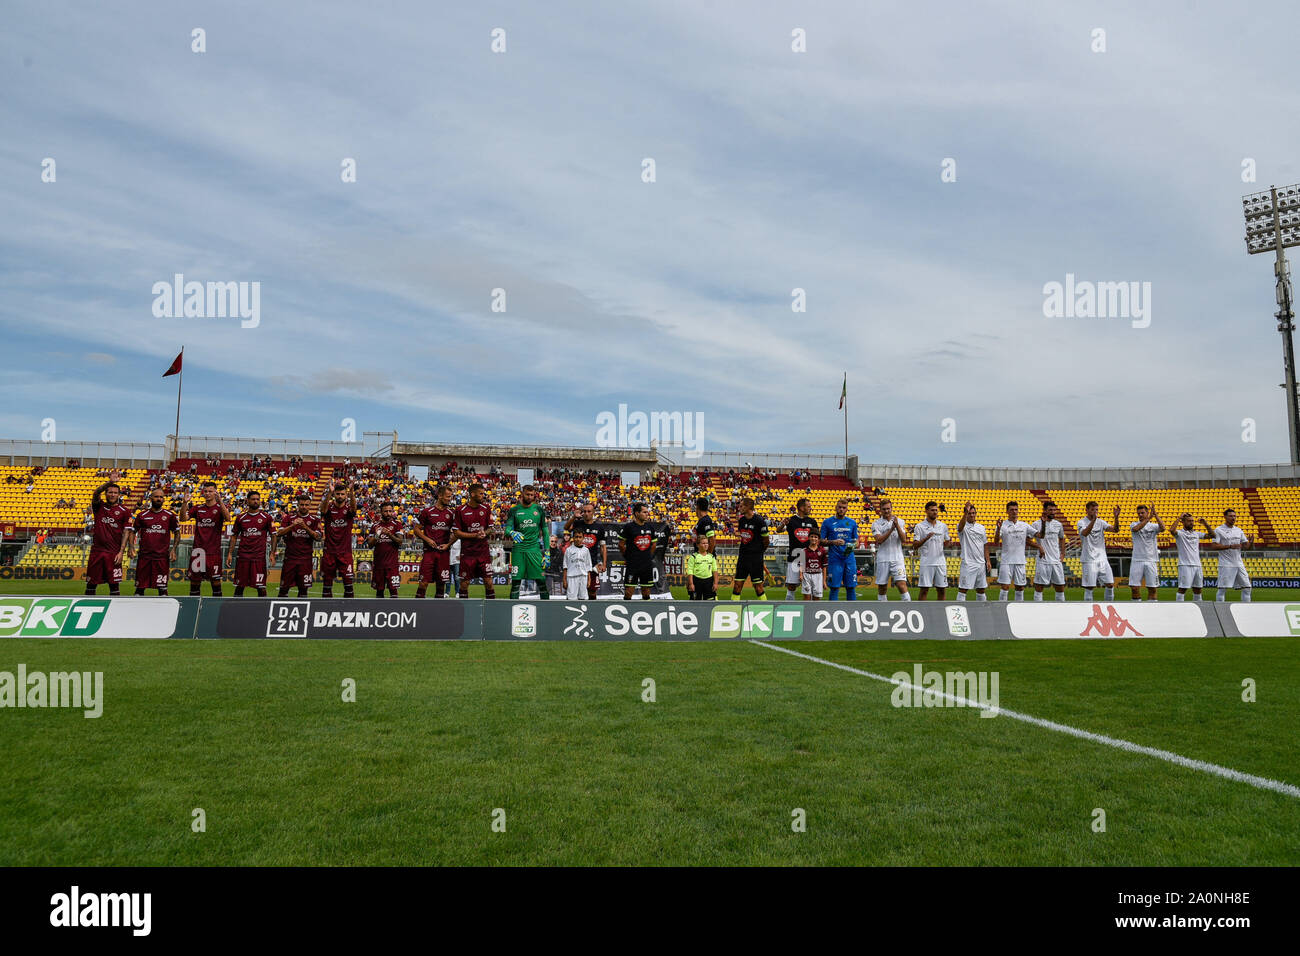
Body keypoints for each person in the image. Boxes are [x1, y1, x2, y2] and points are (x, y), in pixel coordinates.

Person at [85, 471, 131, 595]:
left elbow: (126, 532)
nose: (112, 494)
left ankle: (115, 612)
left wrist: (121, 552)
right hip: (97, 552)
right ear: (106, 493)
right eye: (110, 492)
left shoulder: (125, 511)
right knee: (91, 585)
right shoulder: (99, 506)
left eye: (115, 493)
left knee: (114, 586)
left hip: (113, 553)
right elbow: (95, 493)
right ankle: (88, 608)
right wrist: (110, 482)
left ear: (119, 495)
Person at [126, 489, 179, 596]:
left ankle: (164, 612)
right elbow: (132, 531)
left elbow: (177, 533)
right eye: (156, 497)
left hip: (162, 558)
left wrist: (173, 549)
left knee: (163, 591)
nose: (159, 499)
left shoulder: (170, 515)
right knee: (139, 590)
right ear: (151, 498)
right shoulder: (142, 515)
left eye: (161, 497)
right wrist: (131, 547)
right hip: (144, 557)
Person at [183, 480, 230, 596]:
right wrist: (184, 503)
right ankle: (194, 609)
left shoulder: (220, 508)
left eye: (210, 491)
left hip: (213, 552)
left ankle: (216, 609)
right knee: (195, 583)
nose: (208, 493)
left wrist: (221, 502)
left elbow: (228, 518)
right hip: (198, 551)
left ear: (215, 493)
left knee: (215, 583)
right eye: (206, 491)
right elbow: (183, 519)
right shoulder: (197, 508)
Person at [503, 484, 549, 600]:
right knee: (515, 584)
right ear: (522, 494)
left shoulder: (538, 509)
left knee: (541, 582)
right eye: (527, 494)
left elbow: (545, 530)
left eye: (532, 495)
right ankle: (512, 610)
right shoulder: (514, 510)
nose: (529, 497)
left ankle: (547, 611)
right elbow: (507, 529)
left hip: (534, 550)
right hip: (518, 550)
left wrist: (547, 552)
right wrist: (512, 533)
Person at [273, 493, 323, 597]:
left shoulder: (314, 520)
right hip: (290, 559)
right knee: (283, 589)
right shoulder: (288, 518)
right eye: (301, 505)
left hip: (305, 560)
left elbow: (318, 537)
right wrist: (293, 525)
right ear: (298, 505)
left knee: (303, 590)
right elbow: (279, 533)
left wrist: (305, 527)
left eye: (306, 505)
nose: (304, 507)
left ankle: (302, 611)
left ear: (309, 506)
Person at [455, 483, 496, 599]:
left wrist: (485, 533)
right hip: (467, 553)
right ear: (472, 494)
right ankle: (464, 610)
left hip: (483, 552)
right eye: (481, 494)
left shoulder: (486, 508)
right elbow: (456, 532)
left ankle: (491, 609)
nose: (483, 496)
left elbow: (490, 528)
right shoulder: (460, 510)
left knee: (488, 582)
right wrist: (474, 535)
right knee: (464, 583)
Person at [228, 490, 272, 597]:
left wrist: (272, 553)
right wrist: (229, 553)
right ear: (248, 501)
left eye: (257, 499)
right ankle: (236, 611)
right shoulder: (240, 518)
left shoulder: (266, 518)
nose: (256, 501)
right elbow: (234, 536)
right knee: (239, 587)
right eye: (253, 499)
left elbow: (274, 535)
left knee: (261, 588)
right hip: (243, 557)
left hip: (259, 558)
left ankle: (264, 611)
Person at [414, 485, 455, 598]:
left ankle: (439, 612)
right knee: (423, 583)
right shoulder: (427, 512)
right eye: (447, 496)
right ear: (440, 496)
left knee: (441, 584)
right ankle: (417, 610)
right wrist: (427, 539)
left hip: (444, 554)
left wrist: (448, 544)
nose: (449, 499)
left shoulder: (451, 514)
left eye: (450, 497)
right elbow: (416, 529)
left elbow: (457, 532)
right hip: (429, 553)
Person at [319, 479, 358, 598]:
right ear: (334, 495)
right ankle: (327, 610)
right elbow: (322, 510)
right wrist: (329, 493)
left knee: (348, 585)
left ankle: (348, 609)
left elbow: (354, 509)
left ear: (346, 495)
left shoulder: (348, 509)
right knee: (326, 585)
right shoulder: (329, 508)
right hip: (329, 552)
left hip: (345, 553)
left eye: (342, 494)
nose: (340, 496)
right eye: (338, 494)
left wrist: (351, 492)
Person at [775, 497, 817, 599]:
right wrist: (782, 524)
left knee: (808, 586)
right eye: (808, 506)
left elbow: (817, 539)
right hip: (794, 557)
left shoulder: (812, 521)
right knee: (792, 585)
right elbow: (779, 530)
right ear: (802, 508)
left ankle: (809, 609)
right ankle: (789, 607)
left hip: (809, 558)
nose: (810, 508)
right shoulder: (791, 520)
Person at [565, 502, 608, 599]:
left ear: (593, 513)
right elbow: (566, 528)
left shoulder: (599, 527)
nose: (586, 513)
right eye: (584, 511)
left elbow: (603, 547)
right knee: (573, 592)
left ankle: (591, 613)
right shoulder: (577, 523)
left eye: (589, 511)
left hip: (592, 564)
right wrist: (573, 517)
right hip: (576, 564)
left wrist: (604, 564)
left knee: (592, 591)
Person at [1076, 502, 1118, 602]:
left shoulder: (1101, 522)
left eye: (1096, 510)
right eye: (1092, 510)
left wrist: (1116, 518)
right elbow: (1085, 533)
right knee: (1089, 587)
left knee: (1110, 584)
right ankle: (1088, 609)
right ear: (1086, 510)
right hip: (1089, 559)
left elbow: (1115, 530)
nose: (1095, 512)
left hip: (1102, 559)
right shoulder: (1081, 522)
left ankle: (1109, 606)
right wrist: (1094, 521)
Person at [870, 499, 910, 601]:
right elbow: (879, 540)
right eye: (884, 509)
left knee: (901, 584)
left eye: (888, 508)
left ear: (891, 508)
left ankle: (908, 608)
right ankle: (883, 610)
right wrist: (891, 529)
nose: (887, 511)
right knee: (882, 587)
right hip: (883, 559)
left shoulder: (900, 521)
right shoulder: (876, 524)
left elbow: (904, 540)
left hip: (898, 559)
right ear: (880, 510)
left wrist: (897, 526)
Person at [820, 498, 860, 600]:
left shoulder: (852, 523)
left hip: (849, 559)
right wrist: (833, 542)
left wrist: (851, 546)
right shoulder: (827, 522)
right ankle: (833, 612)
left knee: (851, 587)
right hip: (835, 559)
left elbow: (857, 542)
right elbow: (820, 541)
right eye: (840, 507)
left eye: (844, 508)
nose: (841, 509)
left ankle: (852, 612)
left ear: (847, 509)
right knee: (834, 587)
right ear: (835, 508)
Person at [731, 497, 769, 600]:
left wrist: (758, 553)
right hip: (743, 557)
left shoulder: (759, 521)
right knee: (737, 585)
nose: (739, 507)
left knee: (758, 587)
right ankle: (733, 609)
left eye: (742, 505)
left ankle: (766, 609)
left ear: (748, 507)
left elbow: (766, 541)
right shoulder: (742, 520)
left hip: (755, 559)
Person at [1029, 501, 1067, 602]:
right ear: (1044, 511)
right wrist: (1039, 547)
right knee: (1039, 587)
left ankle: (1060, 610)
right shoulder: (1035, 524)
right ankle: (1038, 609)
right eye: (1050, 510)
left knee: (1060, 588)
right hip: (1043, 560)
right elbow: (1027, 540)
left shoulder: (1058, 524)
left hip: (1056, 560)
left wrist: (1063, 553)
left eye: (1054, 510)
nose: (1053, 512)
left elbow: (1062, 538)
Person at [912, 501, 950, 600]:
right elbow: (915, 545)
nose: (935, 512)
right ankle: (922, 613)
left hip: (940, 562)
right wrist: (926, 538)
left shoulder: (943, 526)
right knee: (924, 590)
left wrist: (949, 543)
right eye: (932, 510)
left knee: (942, 589)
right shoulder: (919, 526)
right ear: (926, 511)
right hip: (926, 562)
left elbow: (947, 542)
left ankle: (940, 613)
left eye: (936, 510)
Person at [367, 501, 406, 598]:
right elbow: (370, 545)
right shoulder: (375, 526)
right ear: (381, 512)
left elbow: (400, 542)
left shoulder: (397, 524)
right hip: (378, 565)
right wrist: (377, 535)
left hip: (392, 565)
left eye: (390, 511)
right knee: (379, 592)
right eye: (385, 511)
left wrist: (389, 534)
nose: (388, 513)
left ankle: (394, 612)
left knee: (394, 592)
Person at [994, 502, 1031, 601]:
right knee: (1005, 587)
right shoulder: (1002, 525)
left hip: (1020, 561)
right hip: (1006, 561)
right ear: (1007, 511)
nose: (1014, 512)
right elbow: (996, 541)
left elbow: (1039, 535)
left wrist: (1043, 523)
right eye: (1011, 510)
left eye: (1016, 509)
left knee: (1020, 588)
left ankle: (1019, 609)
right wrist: (998, 528)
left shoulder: (1024, 525)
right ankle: (1001, 608)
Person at [1213, 508, 1253, 602]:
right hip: (1226, 564)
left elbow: (1246, 547)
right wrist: (1230, 546)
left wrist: (1251, 542)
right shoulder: (1218, 530)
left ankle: (1246, 608)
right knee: (1222, 589)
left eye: (1234, 516)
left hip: (1239, 563)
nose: (1233, 518)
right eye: (1231, 516)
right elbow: (1214, 546)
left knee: (1247, 588)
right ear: (1225, 517)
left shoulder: (1239, 530)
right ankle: (1221, 609)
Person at [619, 503, 656, 600]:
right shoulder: (629, 527)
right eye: (644, 512)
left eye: (647, 512)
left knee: (646, 592)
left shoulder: (650, 528)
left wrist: (648, 557)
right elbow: (621, 544)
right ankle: (627, 613)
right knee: (628, 592)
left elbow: (653, 545)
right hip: (633, 565)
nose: (647, 514)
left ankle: (646, 612)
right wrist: (628, 557)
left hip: (646, 565)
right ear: (636, 513)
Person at [954, 502, 990, 601]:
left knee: (981, 590)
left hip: (981, 563)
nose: (972, 515)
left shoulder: (981, 528)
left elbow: (985, 545)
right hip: (968, 563)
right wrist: (965, 512)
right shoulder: (962, 526)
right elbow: (960, 527)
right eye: (970, 513)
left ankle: (982, 611)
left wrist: (988, 560)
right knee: (963, 589)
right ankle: (959, 612)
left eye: (974, 513)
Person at [1128, 504, 1164, 602]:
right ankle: (1136, 608)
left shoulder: (1153, 526)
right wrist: (1148, 518)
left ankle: (1152, 610)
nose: (1140, 515)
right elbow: (1136, 529)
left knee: (1152, 588)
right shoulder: (1133, 524)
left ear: (1147, 513)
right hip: (1137, 560)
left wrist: (1155, 515)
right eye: (1139, 513)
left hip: (1151, 560)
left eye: (1142, 513)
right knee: (1134, 588)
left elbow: (1163, 528)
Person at [1174, 513, 1213, 602]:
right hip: (1185, 565)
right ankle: (1179, 608)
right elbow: (1172, 530)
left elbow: (1212, 535)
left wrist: (1206, 524)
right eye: (1189, 521)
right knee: (1182, 589)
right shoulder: (1180, 533)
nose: (1191, 523)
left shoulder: (1197, 534)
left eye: (1192, 521)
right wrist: (1179, 517)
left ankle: (1198, 608)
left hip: (1197, 565)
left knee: (1198, 589)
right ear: (1183, 522)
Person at [685, 534, 719, 600]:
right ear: (698, 545)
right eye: (703, 543)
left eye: (707, 543)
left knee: (710, 603)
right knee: (695, 603)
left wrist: (715, 583)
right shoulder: (693, 557)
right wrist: (691, 584)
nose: (706, 545)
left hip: (708, 582)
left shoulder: (711, 557)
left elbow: (715, 571)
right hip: (696, 581)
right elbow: (690, 572)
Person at [797, 531, 827, 601]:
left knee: (816, 598)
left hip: (818, 576)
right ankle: (807, 611)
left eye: (816, 537)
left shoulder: (822, 550)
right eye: (812, 536)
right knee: (807, 598)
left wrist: (824, 581)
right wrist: (801, 575)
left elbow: (824, 567)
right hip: (807, 575)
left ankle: (815, 611)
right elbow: (801, 564)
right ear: (809, 538)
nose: (814, 538)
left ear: (818, 539)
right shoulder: (804, 551)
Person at [563, 534, 593, 599]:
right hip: (571, 577)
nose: (578, 539)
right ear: (573, 538)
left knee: (583, 598)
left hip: (583, 576)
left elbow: (588, 566)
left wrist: (589, 579)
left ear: (583, 538)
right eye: (576, 537)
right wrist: (564, 580)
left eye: (580, 537)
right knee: (571, 598)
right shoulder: (568, 550)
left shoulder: (586, 550)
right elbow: (565, 566)